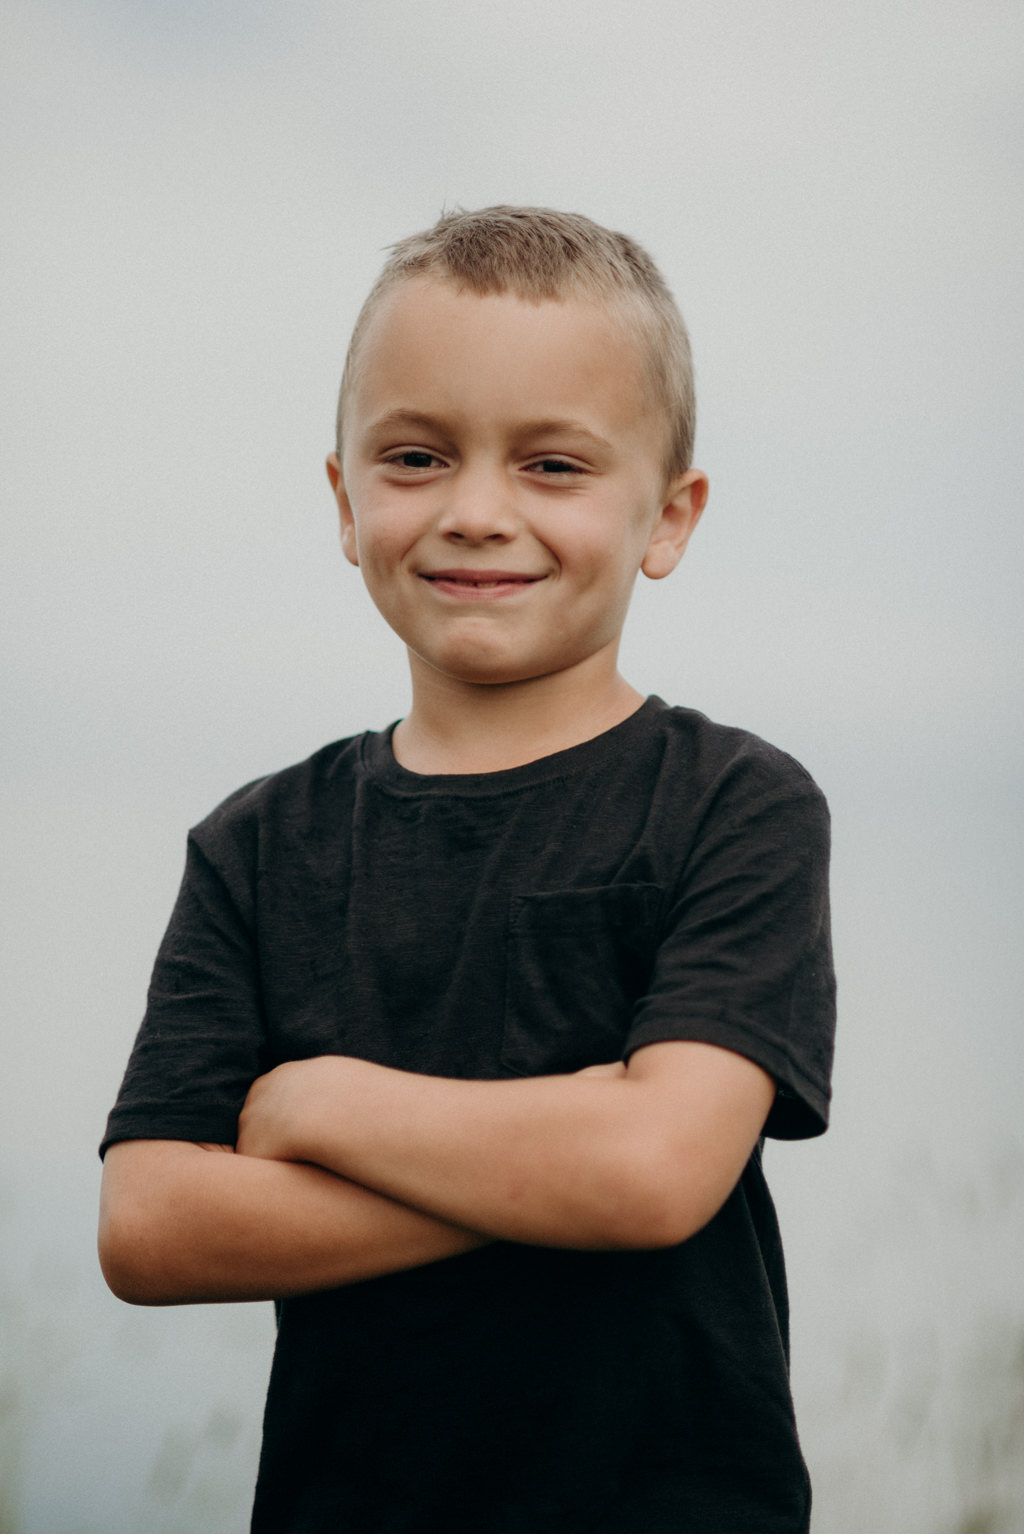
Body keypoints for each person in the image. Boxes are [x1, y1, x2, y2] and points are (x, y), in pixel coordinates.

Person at [99, 205, 836, 1533]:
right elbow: (151, 1225)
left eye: (554, 464)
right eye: (418, 455)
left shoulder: (735, 803)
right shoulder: (257, 843)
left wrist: (324, 1107)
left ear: (669, 516)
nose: (478, 511)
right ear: (344, 498)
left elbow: (657, 1171)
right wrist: (559, 1162)